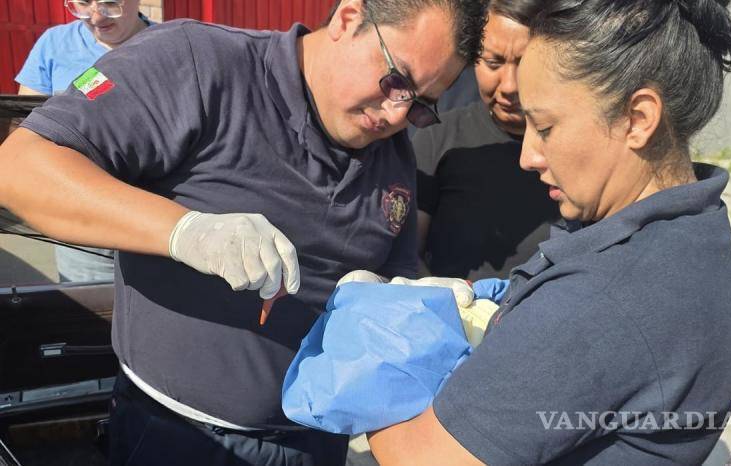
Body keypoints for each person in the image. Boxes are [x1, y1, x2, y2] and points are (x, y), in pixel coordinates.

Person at [0, 0, 488, 463]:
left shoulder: (395, 155)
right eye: (395, 80)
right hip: (177, 436)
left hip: (315, 444)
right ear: (348, 18)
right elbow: (20, 169)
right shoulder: (197, 63)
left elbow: (391, 277)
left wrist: (402, 306)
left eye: (421, 105)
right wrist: (187, 232)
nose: (398, 115)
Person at [349, 0, 731, 464]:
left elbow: (420, 456)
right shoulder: (694, 227)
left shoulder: (602, 298)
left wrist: (368, 350)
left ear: (638, 118)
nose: (527, 156)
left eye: (546, 127)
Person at [413, 0, 559, 280]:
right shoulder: (438, 139)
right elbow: (406, 253)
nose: (509, 86)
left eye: (525, 62)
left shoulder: (578, 143)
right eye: (494, 63)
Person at [15, 0, 151, 282]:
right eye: (82, 3)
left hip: (155, 217)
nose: (96, 16)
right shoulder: (55, 44)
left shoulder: (172, 45)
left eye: (110, 3)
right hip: (83, 222)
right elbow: (25, 129)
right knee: (90, 314)